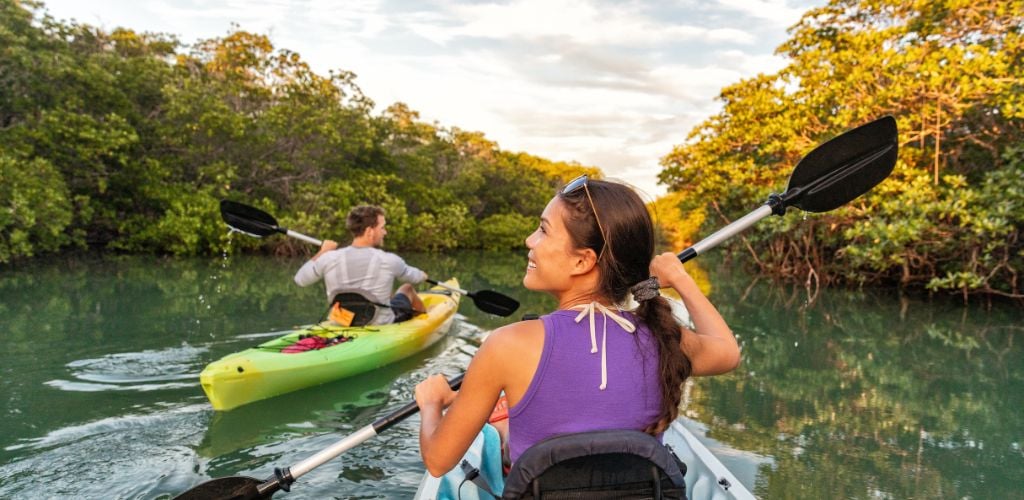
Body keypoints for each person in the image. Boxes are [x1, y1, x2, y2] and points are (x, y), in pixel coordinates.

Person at [414, 176, 741, 477]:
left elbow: (439, 461)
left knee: (502, 432)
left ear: (582, 261)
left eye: (543, 230)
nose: (530, 241)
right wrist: (681, 279)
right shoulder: (663, 337)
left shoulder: (507, 345)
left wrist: (431, 403)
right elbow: (727, 353)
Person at [294, 205, 427, 325]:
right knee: (407, 288)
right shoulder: (389, 260)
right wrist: (423, 275)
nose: (385, 232)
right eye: (382, 227)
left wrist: (322, 252)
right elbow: (415, 278)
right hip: (379, 323)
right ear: (370, 231)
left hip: (341, 322)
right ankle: (426, 323)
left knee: (388, 295)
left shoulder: (329, 258)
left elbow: (300, 280)